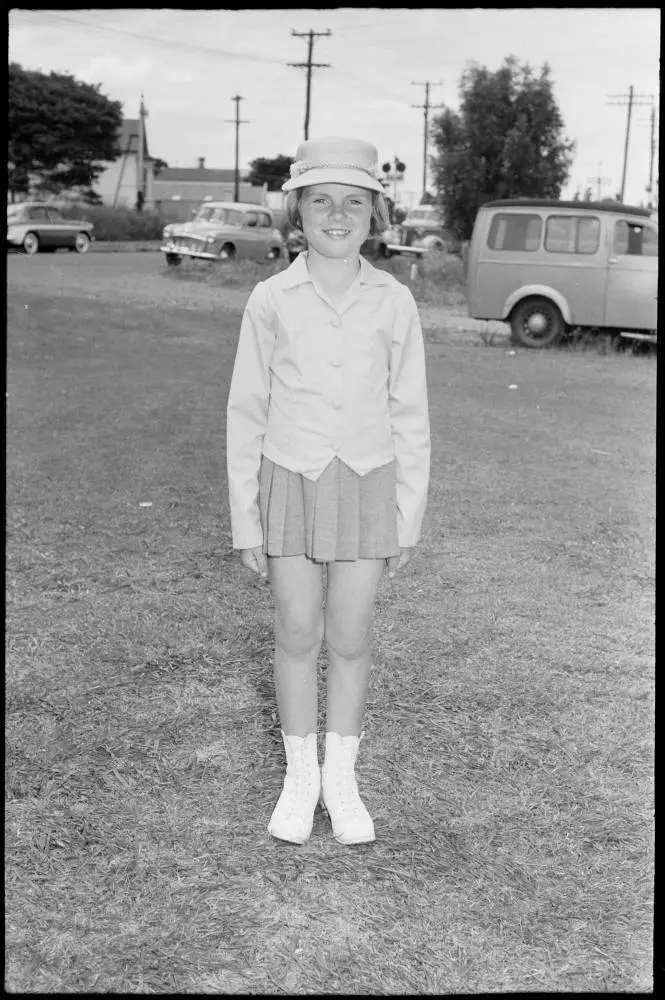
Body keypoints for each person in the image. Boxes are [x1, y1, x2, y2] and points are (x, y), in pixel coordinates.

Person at [226, 136, 430, 846]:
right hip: (290, 479)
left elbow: (410, 413)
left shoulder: (394, 300)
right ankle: (300, 777)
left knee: (349, 640)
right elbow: (245, 411)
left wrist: (406, 517)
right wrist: (245, 522)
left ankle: (341, 782)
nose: (336, 215)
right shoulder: (270, 298)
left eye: (353, 203)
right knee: (294, 633)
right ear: (298, 212)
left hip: (368, 483)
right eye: (321, 201)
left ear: (373, 214)